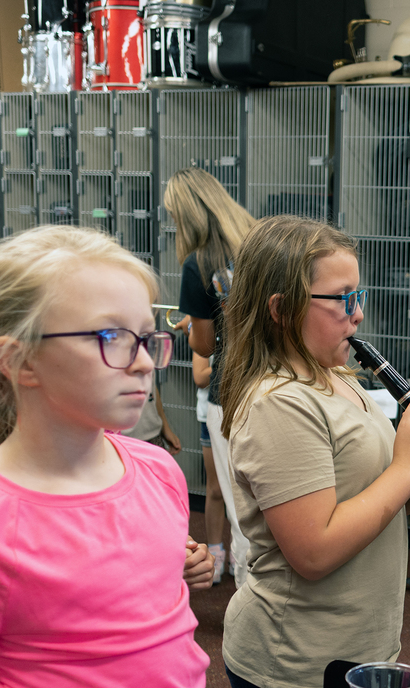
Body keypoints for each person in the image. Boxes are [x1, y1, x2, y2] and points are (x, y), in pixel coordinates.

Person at [0, 226, 212, 688]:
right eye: (112, 338)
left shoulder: (159, 471)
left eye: (148, 339)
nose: (146, 362)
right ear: (18, 360)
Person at [217, 215, 410, 688]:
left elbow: (357, 497)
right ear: (280, 309)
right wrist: (406, 467)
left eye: (358, 296)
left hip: (354, 651)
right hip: (296, 664)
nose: (357, 315)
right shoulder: (279, 403)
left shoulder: (336, 376)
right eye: (341, 299)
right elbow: (315, 551)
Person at [165, 167, 256, 587]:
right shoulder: (261, 244)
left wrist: (196, 323)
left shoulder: (198, 264)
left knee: (241, 510)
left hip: (229, 392)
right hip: (275, 384)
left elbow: (204, 347)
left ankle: (249, 605)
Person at [194, 351, 228, 584]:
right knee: (215, 488)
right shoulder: (207, 332)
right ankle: (215, 550)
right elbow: (200, 376)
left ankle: (242, 550)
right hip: (211, 415)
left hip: (243, 411)